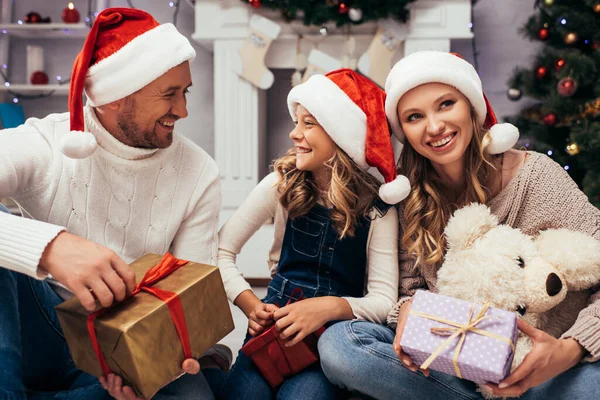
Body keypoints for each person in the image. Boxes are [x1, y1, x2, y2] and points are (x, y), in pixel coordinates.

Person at [318, 50, 600, 400]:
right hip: (459, 365)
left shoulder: (536, 176)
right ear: (402, 129)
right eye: (415, 116)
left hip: (552, 367)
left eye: (446, 104)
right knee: (340, 345)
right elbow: (410, 288)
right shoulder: (409, 196)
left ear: (470, 106)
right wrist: (408, 310)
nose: (434, 127)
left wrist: (571, 348)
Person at [0, 7, 227, 400]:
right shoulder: (47, 142)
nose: (183, 111)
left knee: (193, 396)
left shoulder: (199, 172)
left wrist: (174, 351)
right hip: (37, 325)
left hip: (119, 344)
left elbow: (192, 292)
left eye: (184, 92)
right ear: (114, 98)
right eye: (169, 94)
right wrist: (51, 248)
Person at [216, 69, 408, 400]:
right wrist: (249, 305)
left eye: (308, 123)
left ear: (340, 133)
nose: (294, 134)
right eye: (297, 122)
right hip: (270, 335)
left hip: (328, 346)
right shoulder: (281, 185)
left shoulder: (379, 209)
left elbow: (383, 301)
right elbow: (221, 251)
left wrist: (328, 308)